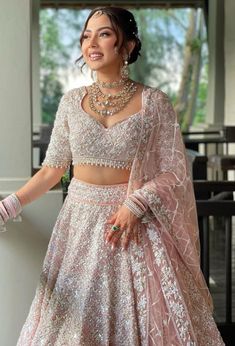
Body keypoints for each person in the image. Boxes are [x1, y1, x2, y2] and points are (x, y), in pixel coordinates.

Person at [0, 6, 224, 346]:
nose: (91, 43)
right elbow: (52, 169)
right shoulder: (71, 102)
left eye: (104, 34)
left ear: (128, 46)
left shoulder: (155, 103)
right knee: (75, 325)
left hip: (135, 227)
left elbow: (174, 172)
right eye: (86, 35)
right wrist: (9, 206)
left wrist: (136, 204)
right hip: (79, 226)